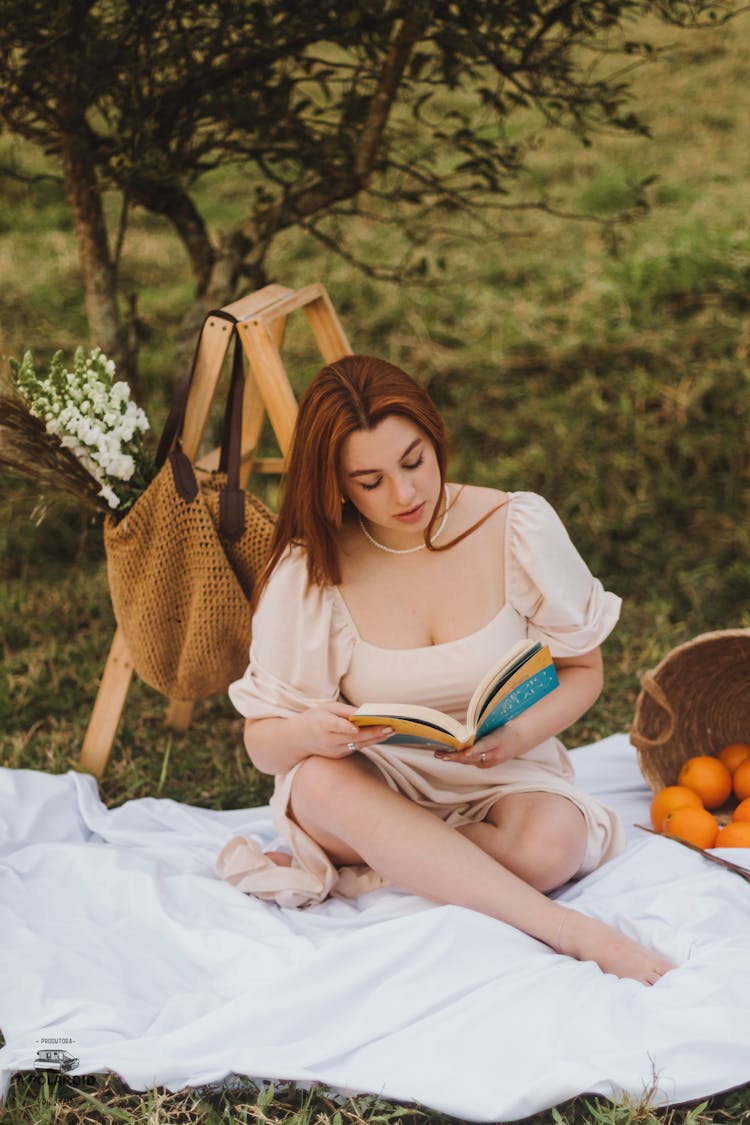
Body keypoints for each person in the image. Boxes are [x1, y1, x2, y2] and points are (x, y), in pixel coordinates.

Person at [217, 354, 674, 985]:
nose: (404, 494)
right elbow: (264, 746)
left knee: (552, 847)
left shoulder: (512, 525)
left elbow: (583, 669)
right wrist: (308, 734)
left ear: (435, 439)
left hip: (502, 772)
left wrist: (513, 737)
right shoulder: (312, 568)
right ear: (335, 483)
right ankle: (567, 929)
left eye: (413, 462)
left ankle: (397, 864)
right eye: (370, 480)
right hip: (372, 784)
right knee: (319, 783)